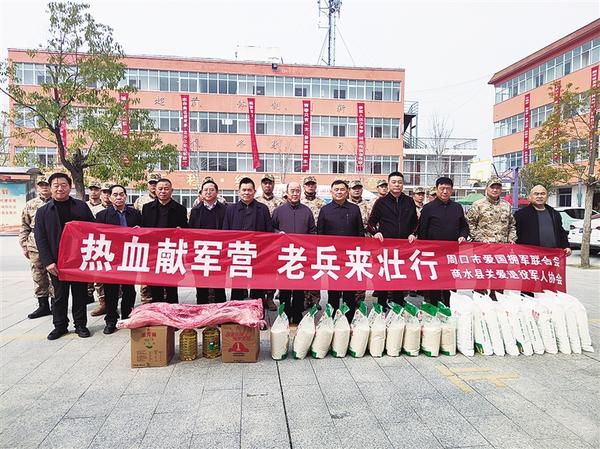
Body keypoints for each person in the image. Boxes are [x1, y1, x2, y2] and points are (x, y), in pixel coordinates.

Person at [34, 172, 95, 340]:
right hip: (57, 261)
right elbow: (40, 238)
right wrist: (48, 262)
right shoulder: (43, 211)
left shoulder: (81, 207)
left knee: (80, 294)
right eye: (56, 185)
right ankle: (60, 326)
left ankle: (80, 325)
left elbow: (93, 229)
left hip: (78, 259)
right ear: (50, 188)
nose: (60, 188)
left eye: (64, 185)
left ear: (70, 187)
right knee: (59, 296)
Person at [95, 185, 142, 334]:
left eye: (121, 194)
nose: (119, 197)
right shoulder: (102, 215)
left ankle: (127, 317)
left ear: (126, 196)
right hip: (111, 257)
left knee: (129, 289)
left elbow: (145, 233)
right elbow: (97, 236)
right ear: (110, 197)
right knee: (111, 290)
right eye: (115, 194)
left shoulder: (135, 214)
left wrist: (139, 231)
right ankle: (111, 320)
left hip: (130, 256)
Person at [367, 171, 418, 308]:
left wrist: (413, 233)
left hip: (403, 247)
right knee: (384, 275)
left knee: (399, 275)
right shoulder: (381, 202)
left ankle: (398, 303)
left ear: (403, 185)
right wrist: (376, 233)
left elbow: (415, 222)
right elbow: (371, 223)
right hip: (385, 247)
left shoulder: (409, 201)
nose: (397, 185)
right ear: (389, 184)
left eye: (400, 182)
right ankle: (382, 303)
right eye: (394, 182)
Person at [418, 176, 470, 306]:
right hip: (433, 253)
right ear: (437, 189)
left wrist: (463, 236)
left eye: (448, 189)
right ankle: (433, 306)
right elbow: (422, 231)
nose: (445, 191)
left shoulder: (457, 207)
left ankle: (449, 306)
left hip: (452, 252)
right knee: (434, 281)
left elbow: (464, 226)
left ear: (452, 190)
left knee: (450, 281)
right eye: (442, 188)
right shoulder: (428, 208)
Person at [317, 179, 364, 319]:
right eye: (336, 190)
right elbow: (320, 234)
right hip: (332, 256)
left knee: (350, 289)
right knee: (333, 290)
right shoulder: (325, 210)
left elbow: (360, 232)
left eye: (342, 189)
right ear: (331, 192)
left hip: (350, 256)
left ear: (347, 191)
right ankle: (332, 317)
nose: (339, 192)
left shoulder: (354, 209)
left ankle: (348, 318)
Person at [272, 181, 316, 324]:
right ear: (287, 192)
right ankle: (284, 314)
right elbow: (271, 229)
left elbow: (312, 232)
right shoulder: (279, 211)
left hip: (301, 255)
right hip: (284, 255)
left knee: (299, 288)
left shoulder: (307, 211)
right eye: (292, 190)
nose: (295, 193)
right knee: (284, 287)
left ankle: (297, 314)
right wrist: (278, 233)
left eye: (297, 190)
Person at [223, 177, 273, 302]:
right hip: (238, 254)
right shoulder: (231, 209)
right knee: (238, 287)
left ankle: (257, 310)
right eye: (244, 190)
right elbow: (225, 232)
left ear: (254, 192)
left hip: (258, 254)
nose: (246, 193)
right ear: (239, 191)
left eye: (249, 190)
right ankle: (237, 310)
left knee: (257, 287)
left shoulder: (262, 209)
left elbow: (269, 232)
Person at [141, 178, 188, 303]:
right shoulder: (147, 208)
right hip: (153, 253)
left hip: (171, 252)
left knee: (172, 285)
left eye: (166, 189)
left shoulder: (180, 209)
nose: (163, 191)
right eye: (160, 189)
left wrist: (181, 230)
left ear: (172, 191)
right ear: (155, 190)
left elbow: (186, 230)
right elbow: (143, 229)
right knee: (155, 285)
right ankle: (158, 310)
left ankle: (172, 311)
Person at [19, 176, 54, 319]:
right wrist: (24, 245)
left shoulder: (57, 202)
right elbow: (24, 226)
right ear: (37, 187)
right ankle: (43, 305)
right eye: (41, 185)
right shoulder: (30, 204)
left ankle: (56, 304)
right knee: (38, 275)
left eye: (47, 184)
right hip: (34, 244)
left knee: (54, 275)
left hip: (52, 242)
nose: (44, 187)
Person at [189, 179, 227, 304]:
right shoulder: (195, 211)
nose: (208, 192)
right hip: (200, 253)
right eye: (205, 190)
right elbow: (191, 232)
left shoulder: (225, 210)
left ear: (217, 192)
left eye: (212, 190)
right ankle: (202, 310)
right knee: (201, 286)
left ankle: (220, 312)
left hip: (219, 253)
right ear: (201, 193)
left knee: (219, 286)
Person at [514, 185, 571, 255]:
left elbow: (561, 232)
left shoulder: (554, 213)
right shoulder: (521, 214)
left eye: (542, 194)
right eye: (536, 194)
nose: (540, 196)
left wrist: (566, 246)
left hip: (551, 255)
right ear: (530, 197)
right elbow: (515, 234)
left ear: (547, 197)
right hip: (530, 255)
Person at [255, 173, 283, 310]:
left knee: (272, 271)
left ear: (273, 185)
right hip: (259, 242)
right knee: (259, 271)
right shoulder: (256, 201)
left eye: (270, 183)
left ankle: (270, 298)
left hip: (274, 242)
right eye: (265, 183)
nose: (267, 185)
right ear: (261, 185)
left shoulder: (280, 203)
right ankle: (259, 298)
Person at [134, 172, 161, 304]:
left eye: (156, 183)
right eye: (151, 183)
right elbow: (136, 219)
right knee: (145, 276)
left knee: (162, 275)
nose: (153, 186)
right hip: (146, 244)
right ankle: (146, 302)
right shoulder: (140, 201)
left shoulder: (166, 199)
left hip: (163, 245)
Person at [467, 177, 517, 244]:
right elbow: (470, 224)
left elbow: (512, 225)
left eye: (498, 188)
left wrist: (511, 238)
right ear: (486, 188)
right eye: (492, 187)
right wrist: (480, 239)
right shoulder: (478, 205)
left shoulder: (507, 205)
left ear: (501, 189)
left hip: (503, 245)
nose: (495, 190)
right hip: (483, 245)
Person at [300, 175, 325, 309]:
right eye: (308, 184)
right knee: (304, 270)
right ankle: (305, 298)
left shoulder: (322, 203)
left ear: (315, 186)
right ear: (304, 187)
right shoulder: (300, 201)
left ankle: (315, 300)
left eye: (312, 184)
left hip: (316, 241)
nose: (310, 186)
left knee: (315, 270)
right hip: (302, 241)